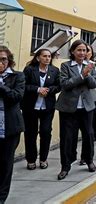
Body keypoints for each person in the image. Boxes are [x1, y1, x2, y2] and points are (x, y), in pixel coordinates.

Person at [55, 40, 96, 180]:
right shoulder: (65, 66)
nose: (82, 53)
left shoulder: (90, 65)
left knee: (88, 135)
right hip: (69, 107)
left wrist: (87, 73)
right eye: (79, 50)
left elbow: (93, 84)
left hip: (86, 107)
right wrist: (81, 76)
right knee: (67, 137)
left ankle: (89, 160)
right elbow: (65, 84)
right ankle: (65, 166)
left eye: (84, 50)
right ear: (73, 51)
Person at [22, 48, 60, 170]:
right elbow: (23, 85)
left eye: (49, 56)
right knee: (31, 133)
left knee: (45, 131)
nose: (47, 58)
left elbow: (58, 86)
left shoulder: (55, 70)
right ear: (38, 58)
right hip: (31, 107)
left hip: (47, 107)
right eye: (44, 56)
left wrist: (48, 90)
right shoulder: (29, 70)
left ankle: (43, 158)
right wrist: (38, 89)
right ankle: (31, 159)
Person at [0, 46, 25, 203]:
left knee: (5, 164)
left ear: (9, 61)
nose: (1, 62)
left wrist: (1, 86)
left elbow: (16, 96)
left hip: (10, 127)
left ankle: (1, 198)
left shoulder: (17, 76)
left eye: (3, 59)